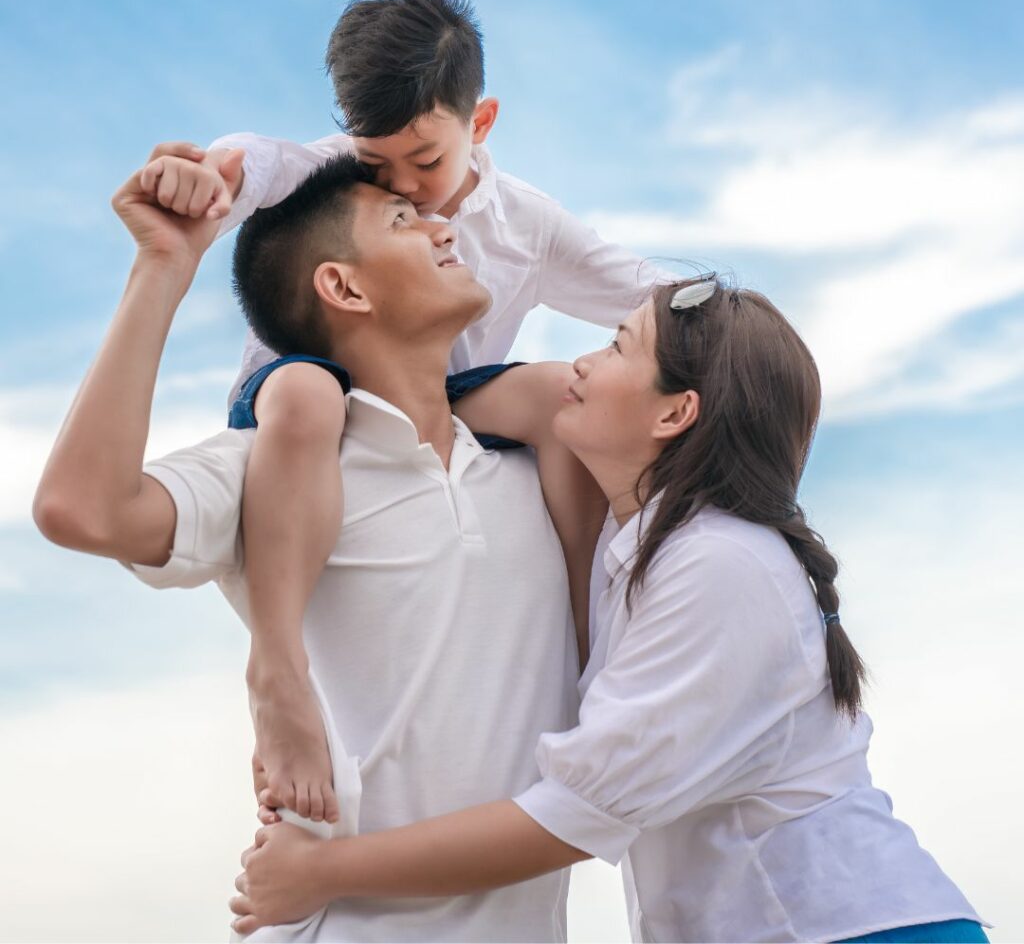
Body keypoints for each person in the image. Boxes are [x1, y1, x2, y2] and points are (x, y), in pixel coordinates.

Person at [229, 276, 989, 944]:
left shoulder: (722, 564)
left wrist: (323, 872)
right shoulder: (642, 547)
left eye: (619, 347)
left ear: (674, 413)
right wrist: (309, 399)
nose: (583, 364)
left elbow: (570, 816)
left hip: (853, 929)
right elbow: (424, 403)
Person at [140, 0, 661, 824]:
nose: (406, 189)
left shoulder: (527, 224)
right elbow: (252, 161)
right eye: (377, 164)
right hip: (303, 390)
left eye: (426, 161)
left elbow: (636, 289)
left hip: (440, 401)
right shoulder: (337, 177)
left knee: (556, 396)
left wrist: (722, 312)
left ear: (479, 123)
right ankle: (275, 667)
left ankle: (586, 648)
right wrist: (202, 176)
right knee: (310, 395)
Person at [34, 154, 591, 942]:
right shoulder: (277, 469)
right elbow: (80, 508)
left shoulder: (535, 466)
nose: (442, 229)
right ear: (344, 288)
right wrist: (162, 266)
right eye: (404, 221)